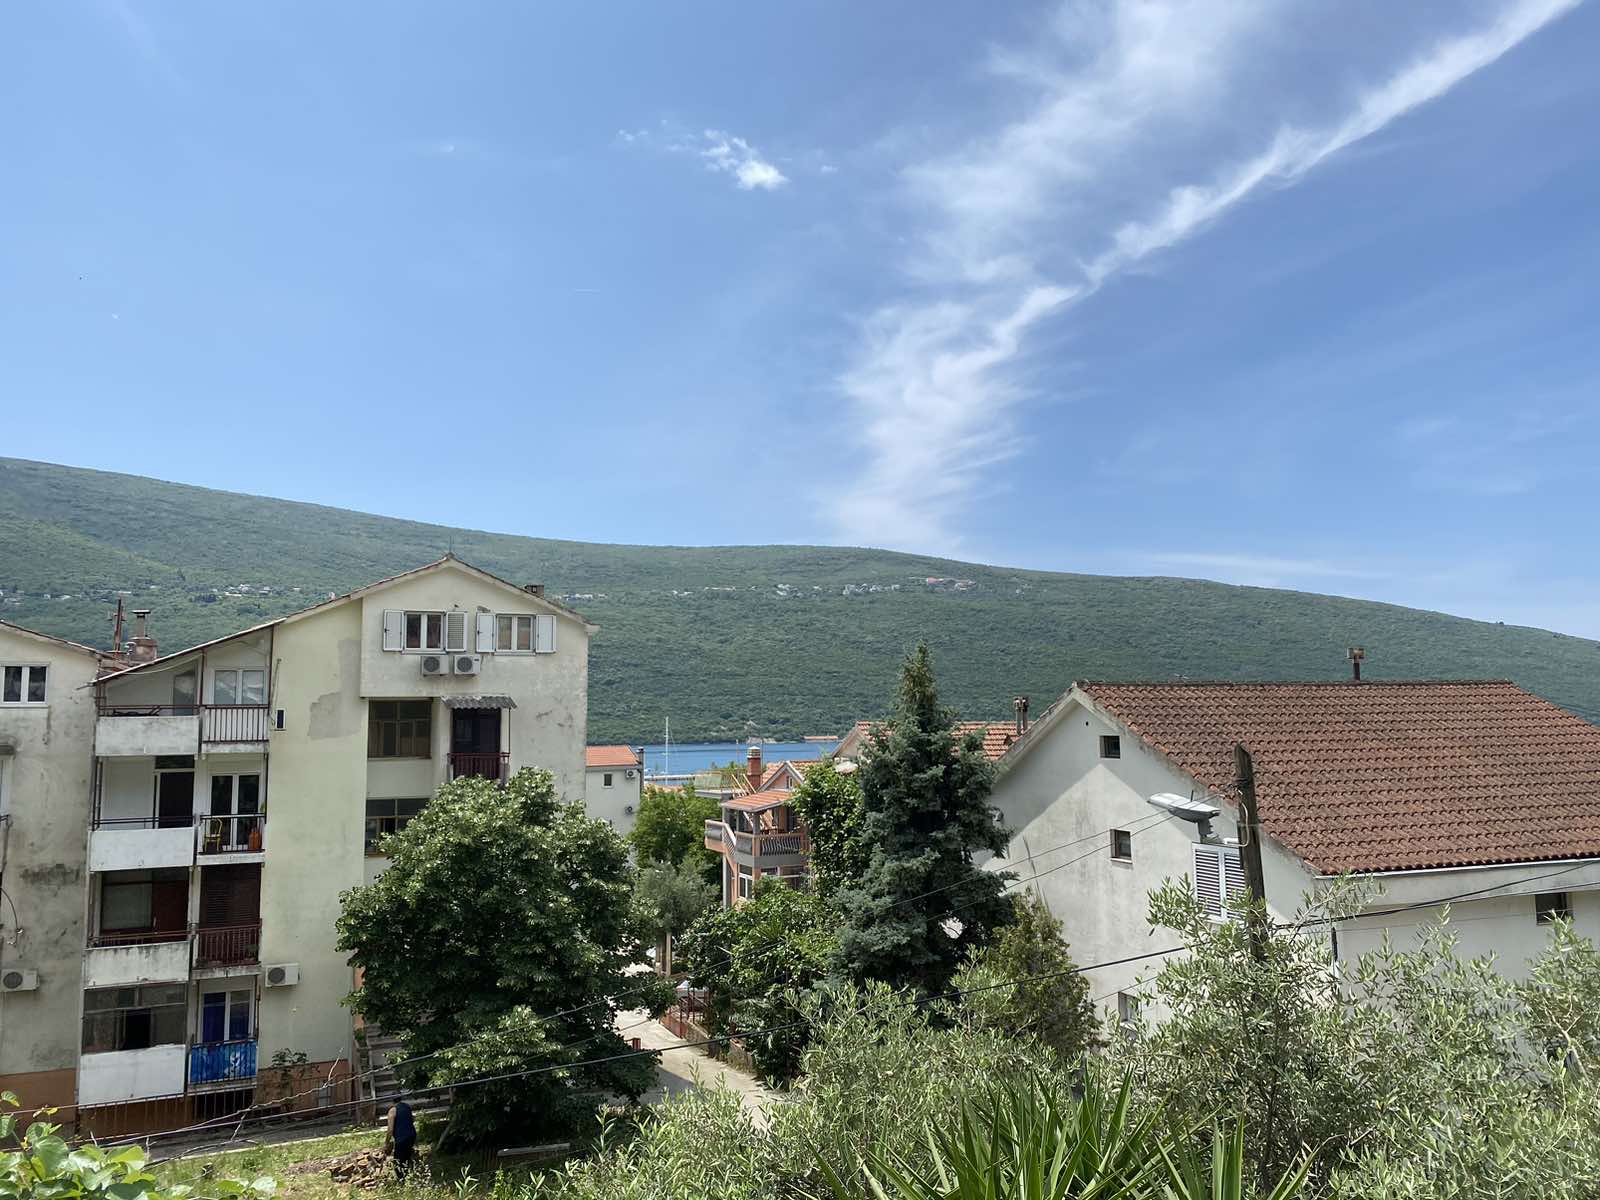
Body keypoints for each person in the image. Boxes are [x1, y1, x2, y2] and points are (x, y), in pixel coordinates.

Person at [385, 1096, 417, 1176]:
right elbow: (412, 1119)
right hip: (412, 1135)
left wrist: (386, 1142)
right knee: (407, 1157)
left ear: (392, 1101)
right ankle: (410, 1175)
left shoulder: (392, 1111)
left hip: (401, 1139)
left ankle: (402, 1180)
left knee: (398, 1162)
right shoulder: (407, 1106)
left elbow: (390, 1129)